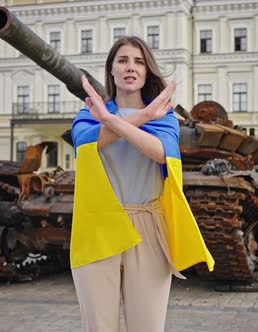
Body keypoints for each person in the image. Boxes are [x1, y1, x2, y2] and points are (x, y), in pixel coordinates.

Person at [70, 36, 215, 332]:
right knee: (98, 326)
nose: (130, 67)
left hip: (148, 225)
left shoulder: (163, 117)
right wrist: (121, 119)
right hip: (97, 226)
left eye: (138, 61)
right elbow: (88, 143)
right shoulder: (88, 114)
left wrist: (130, 118)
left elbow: (161, 152)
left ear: (147, 70)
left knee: (147, 326)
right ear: (111, 69)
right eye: (122, 60)